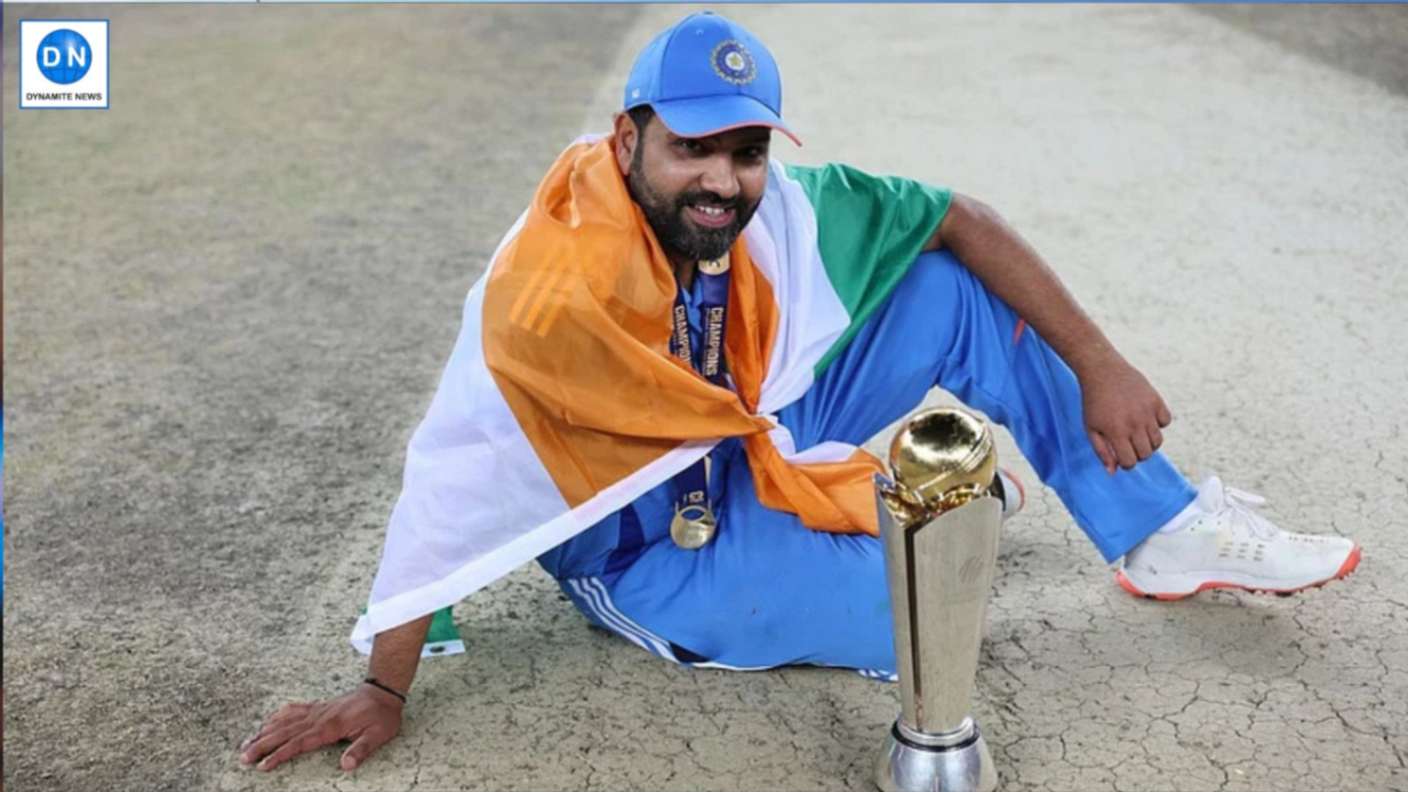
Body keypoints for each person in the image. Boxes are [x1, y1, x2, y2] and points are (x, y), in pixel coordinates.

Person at [239, 11, 1360, 774]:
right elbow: (460, 470)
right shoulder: (551, 294)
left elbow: (958, 215)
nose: (723, 180)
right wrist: (384, 684)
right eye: (692, 149)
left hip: (747, 423)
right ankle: (922, 513)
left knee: (944, 285)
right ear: (627, 137)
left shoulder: (763, 207)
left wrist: (1103, 365)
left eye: (746, 150)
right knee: (917, 619)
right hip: (646, 534)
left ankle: (1157, 528)